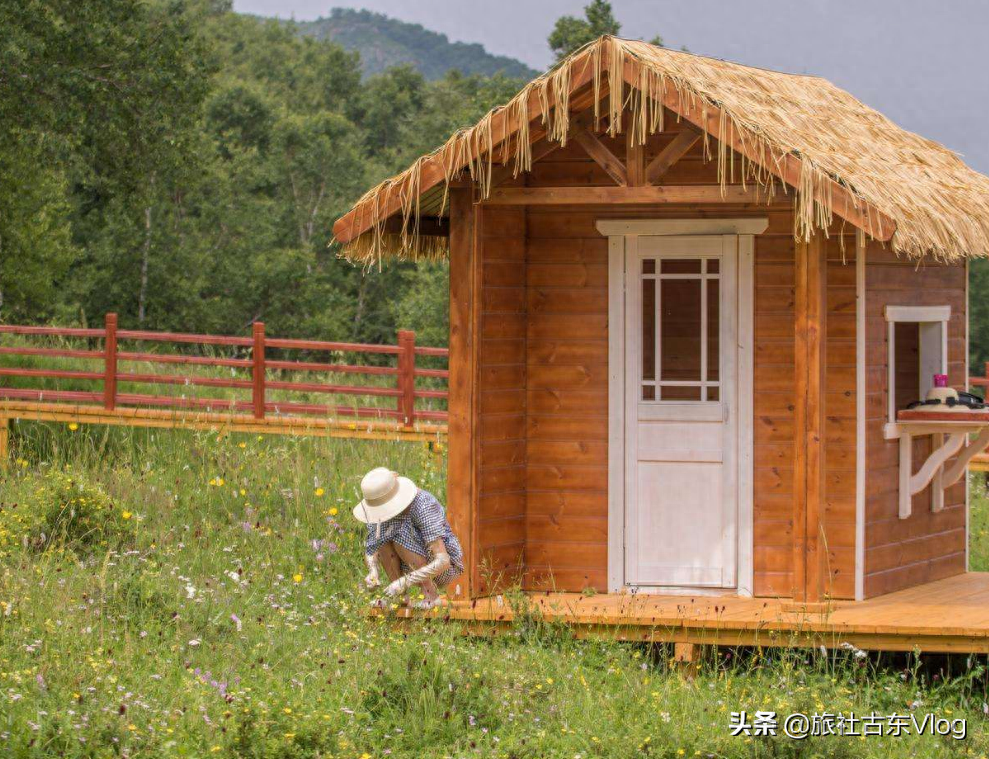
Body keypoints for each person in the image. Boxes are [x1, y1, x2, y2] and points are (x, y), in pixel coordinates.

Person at [353, 467, 463, 609]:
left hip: (443, 570)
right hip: (411, 567)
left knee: (399, 534)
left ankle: (430, 596)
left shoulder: (423, 504)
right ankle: (401, 598)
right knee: (384, 539)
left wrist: (404, 581)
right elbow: (372, 547)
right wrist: (373, 571)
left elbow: (443, 560)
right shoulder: (379, 512)